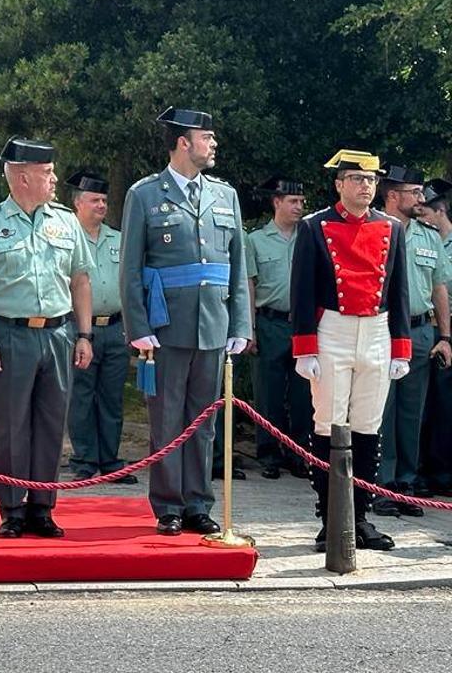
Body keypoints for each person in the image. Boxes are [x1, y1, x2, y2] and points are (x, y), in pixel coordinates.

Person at [119, 107, 251, 537]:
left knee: (205, 421)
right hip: (166, 326)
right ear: (183, 143)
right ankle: (168, 505)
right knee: (167, 421)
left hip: (213, 324)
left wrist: (239, 324)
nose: (213, 145)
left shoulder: (224, 194)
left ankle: (198, 503)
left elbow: (236, 265)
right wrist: (138, 327)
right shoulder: (144, 194)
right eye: (206, 137)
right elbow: (131, 269)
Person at [0, 138, 94, 538]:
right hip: (9, 334)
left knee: (52, 424)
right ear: (22, 177)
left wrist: (84, 335)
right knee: (11, 425)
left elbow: (81, 280)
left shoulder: (65, 221)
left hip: (57, 333)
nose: (53, 179)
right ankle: (13, 509)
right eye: (46, 173)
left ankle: (43, 507)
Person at [291, 149, 410, 552]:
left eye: (371, 180)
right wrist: (305, 345)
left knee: (367, 426)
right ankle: (330, 518)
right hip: (332, 330)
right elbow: (302, 292)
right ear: (339, 184)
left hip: (377, 329)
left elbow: (400, 291)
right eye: (357, 179)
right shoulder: (314, 226)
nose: (365, 186)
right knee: (327, 424)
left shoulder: (392, 228)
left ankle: (360, 517)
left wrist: (401, 347)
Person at [371, 165, 452, 516]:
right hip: (381, 328)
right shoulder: (372, 229)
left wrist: (445, 335)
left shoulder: (429, 236)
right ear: (392, 195)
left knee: (411, 411)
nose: (421, 199)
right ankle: (381, 483)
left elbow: (439, 288)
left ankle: (406, 481)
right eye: (414, 192)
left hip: (420, 331)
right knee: (381, 410)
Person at [64, 169, 136, 484]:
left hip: (115, 328)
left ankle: (110, 459)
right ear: (78, 203)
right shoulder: (65, 238)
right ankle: (83, 460)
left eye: (104, 200)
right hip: (79, 329)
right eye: (95, 200)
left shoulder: (118, 239)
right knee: (80, 396)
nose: (102, 205)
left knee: (111, 397)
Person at [245, 176, 312, 479]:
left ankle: (299, 454)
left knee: (303, 395)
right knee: (268, 392)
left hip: (301, 324)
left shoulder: (309, 236)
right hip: (269, 321)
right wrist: (250, 329)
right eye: (293, 202)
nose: (299, 207)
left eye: (301, 202)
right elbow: (249, 285)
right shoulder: (256, 240)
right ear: (276, 202)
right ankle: (269, 454)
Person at [417, 179, 452, 495]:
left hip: (447, 331)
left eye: (424, 210)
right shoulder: (420, 240)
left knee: (445, 406)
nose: (420, 217)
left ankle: (441, 472)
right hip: (424, 329)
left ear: (439, 210)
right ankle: (421, 470)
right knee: (423, 404)